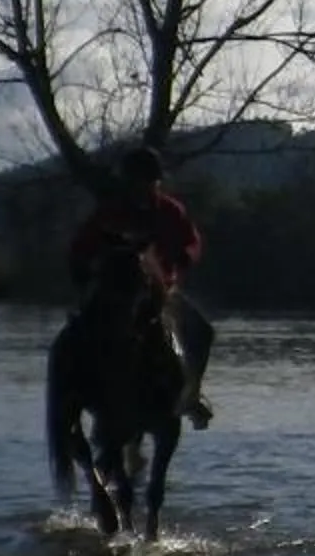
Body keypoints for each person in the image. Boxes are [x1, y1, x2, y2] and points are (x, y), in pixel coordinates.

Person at [68, 143, 217, 428]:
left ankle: (191, 395)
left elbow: (192, 239)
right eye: (139, 181)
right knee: (81, 333)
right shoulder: (109, 213)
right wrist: (82, 269)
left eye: (150, 181)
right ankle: (77, 390)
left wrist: (186, 255)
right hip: (115, 292)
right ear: (128, 182)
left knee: (203, 333)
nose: (145, 187)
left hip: (162, 292)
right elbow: (82, 245)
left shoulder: (171, 211)